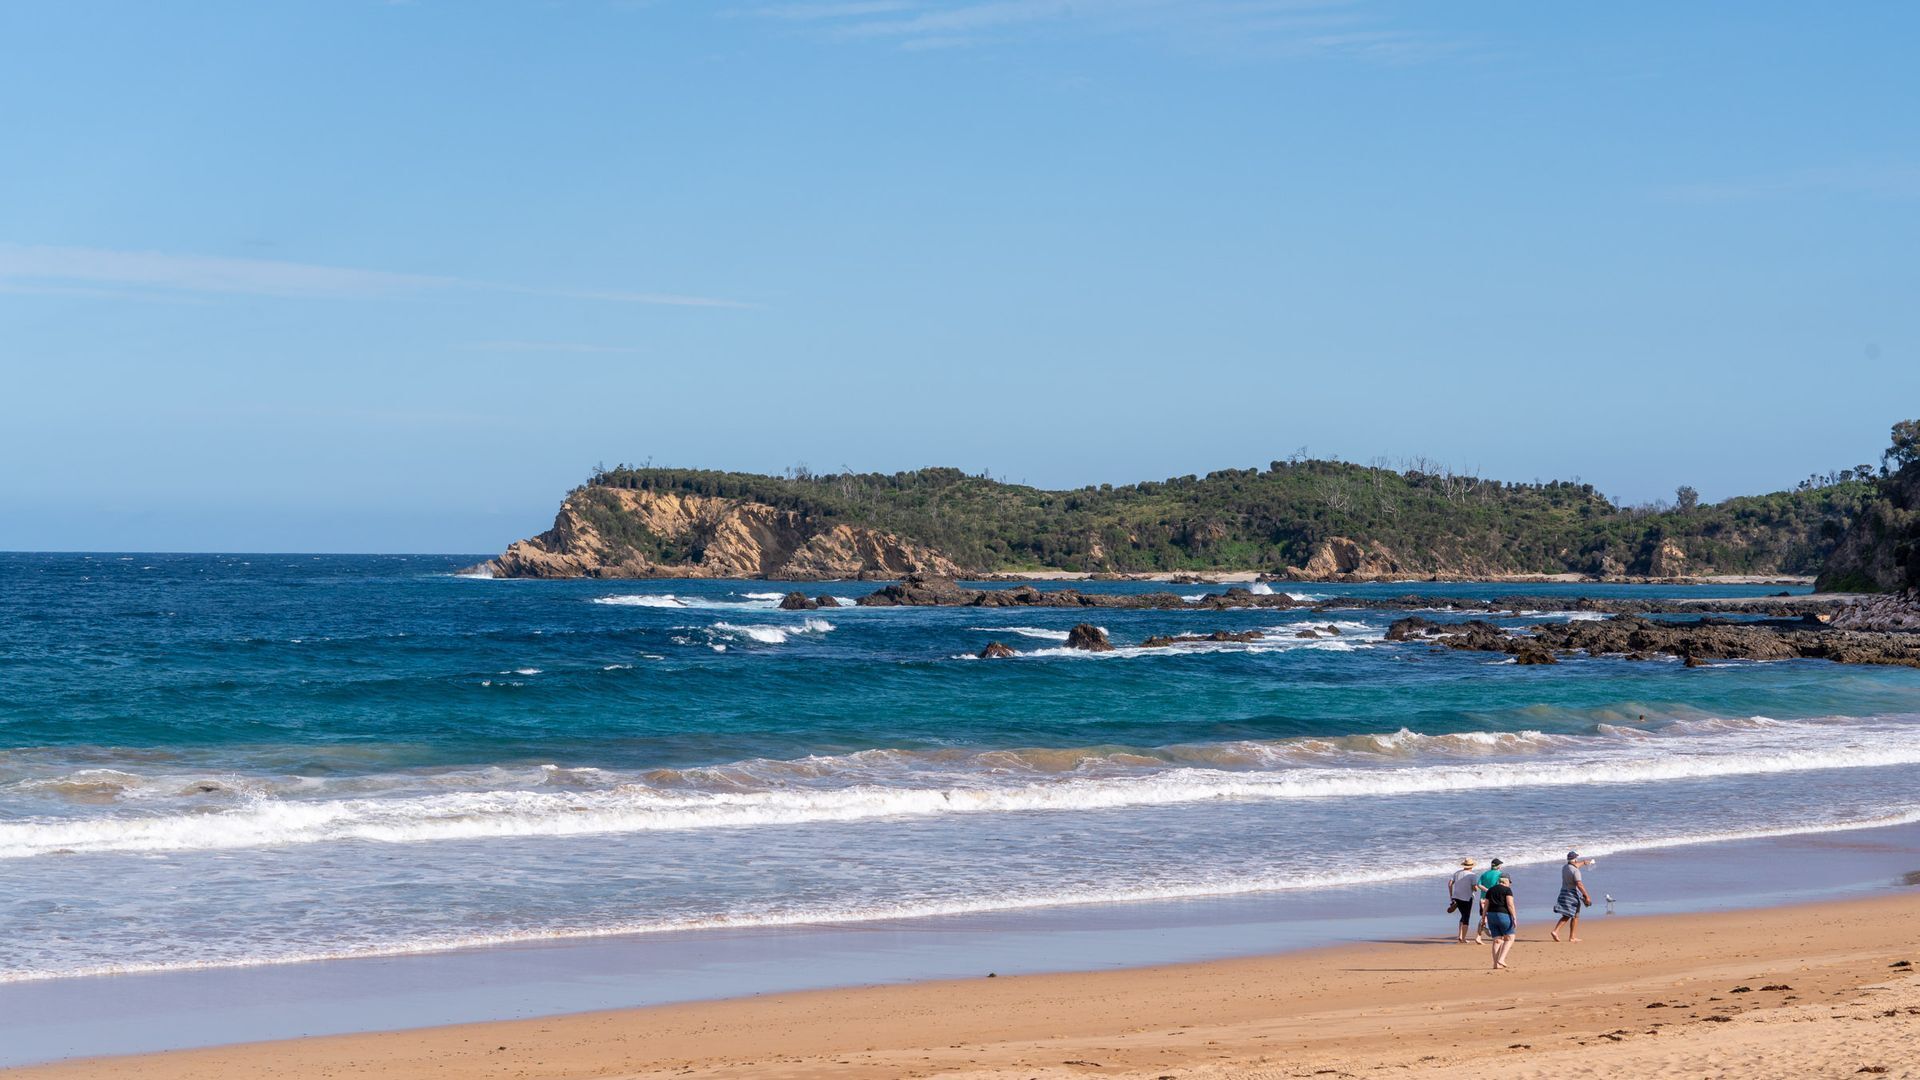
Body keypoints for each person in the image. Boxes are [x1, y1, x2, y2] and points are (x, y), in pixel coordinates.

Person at [1551, 850, 1595, 942]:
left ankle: (1570, 936)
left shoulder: (1565, 867)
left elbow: (1575, 866)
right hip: (1571, 894)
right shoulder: (1576, 871)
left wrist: (1584, 862)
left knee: (1568, 914)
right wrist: (1587, 896)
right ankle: (1561, 933)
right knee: (1573, 915)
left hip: (1563, 892)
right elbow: (1579, 884)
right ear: (1575, 860)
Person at [1483, 872, 1517, 970]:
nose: (1509, 884)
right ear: (1506, 881)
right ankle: (1501, 959)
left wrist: (1483, 917)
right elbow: (1510, 904)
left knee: (1497, 940)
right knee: (1510, 937)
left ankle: (1495, 964)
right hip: (1503, 915)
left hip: (1491, 916)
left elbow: (1486, 905)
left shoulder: (1490, 890)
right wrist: (1514, 917)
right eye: (1509, 882)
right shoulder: (1507, 890)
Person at [1447, 859, 1481, 943]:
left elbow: (1450, 883)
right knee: (1466, 917)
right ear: (1472, 866)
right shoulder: (1472, 875)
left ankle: (1460, 936)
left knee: (1463, 915)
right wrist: (1476, 888)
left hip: (1456, 897)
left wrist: (1451, 895)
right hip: (1467, 898)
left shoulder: (1457, 873)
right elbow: (1474, 888)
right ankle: (1463, 938)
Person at [1473, 857, 1504, 940]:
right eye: (1500, 865)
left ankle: (1478, 937)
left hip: (1483, 898)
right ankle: (1499, 934)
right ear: (1498, 866)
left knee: (1484, 917)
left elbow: (1479, 885)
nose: (1501, 867)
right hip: (1494, 899)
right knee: (1497, 915)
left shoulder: (1485, 874)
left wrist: (1487, 890)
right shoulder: (1500, 874)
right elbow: (1500, 886)